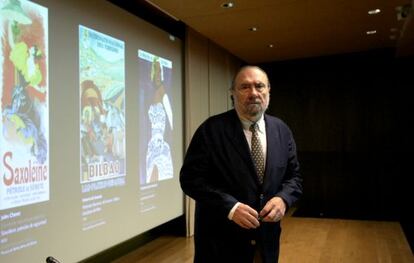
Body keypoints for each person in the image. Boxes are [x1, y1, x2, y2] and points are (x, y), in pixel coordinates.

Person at [180, 65, 302, 263]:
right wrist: (230, 207)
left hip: (266, 242)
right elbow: (190, 180)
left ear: (268, 90)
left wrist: (283, 199)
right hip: (220, 244)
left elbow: (294, 178)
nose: (253, 93)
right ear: (232, 93)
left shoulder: (282, 131)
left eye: (259, 86)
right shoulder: (211, 130)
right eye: (245, 87)